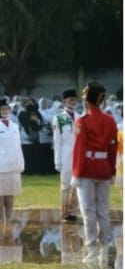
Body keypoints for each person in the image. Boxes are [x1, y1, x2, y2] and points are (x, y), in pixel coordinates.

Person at [71, 81, 118, 264]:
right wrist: (112, 169)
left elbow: (79, 149)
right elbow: (112, 148)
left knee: (88, 211)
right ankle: (105, 247)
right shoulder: (110, 120)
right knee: (103, 210)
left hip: (87, 169)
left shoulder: (83, 121)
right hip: (104, 168)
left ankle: (91, 249)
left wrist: (76, 172)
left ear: (86, 100)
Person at [0, 99, 25, 222]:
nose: (5, 111)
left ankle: (8, 218)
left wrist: (21, 163)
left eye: (7, 109)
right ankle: (0, 219)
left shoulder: (14, 126)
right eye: (3, 109)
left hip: (13, 164)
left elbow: (18, 146)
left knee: (10, 195)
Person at [52, 89, 79, 222]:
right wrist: (57, 161)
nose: (72, 102)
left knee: (76, 185)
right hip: (65, 155)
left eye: (74, 99)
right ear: (64, 101)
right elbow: (57, 142)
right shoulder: (59, 118)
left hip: (78, 155)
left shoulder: (80, 117)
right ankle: (64, 212)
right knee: (65, 185)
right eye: (70, 99)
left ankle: (73, 211)